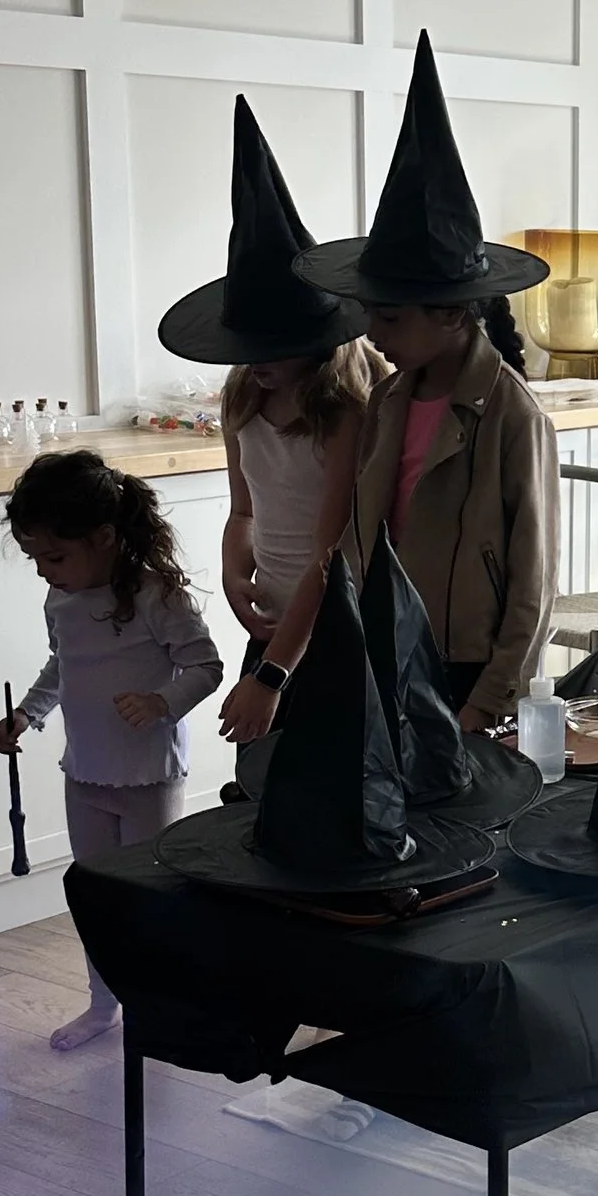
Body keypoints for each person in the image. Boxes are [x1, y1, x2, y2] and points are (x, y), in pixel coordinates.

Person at [290, 32, 559, 733]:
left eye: (390, 317)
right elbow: (360, 536)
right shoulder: (385, 399)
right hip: (389, 647)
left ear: (451, 313)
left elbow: (532, 584)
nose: (371, 332)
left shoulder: (509, 416)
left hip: (464, 665)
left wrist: (489, 700)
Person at [149, 98, 383, 752]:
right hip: (273, 621)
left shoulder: (343, 415)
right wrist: (232, 567)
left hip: (331, 628)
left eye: (271, 348)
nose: (255, 363)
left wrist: (275, 670)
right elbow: (244, 509)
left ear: (317, 339)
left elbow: (331, 555)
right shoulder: (243, 398)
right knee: (260, 778)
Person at [0, 451, 223, 1049]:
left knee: (149, 900)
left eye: (56, 556)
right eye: (35, 559)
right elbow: (61, 667)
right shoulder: (61, 601)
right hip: (87, 773)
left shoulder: (156, 594)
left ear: (105, 537)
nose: (45, 571)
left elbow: (204, 665)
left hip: (148, 776)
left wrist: (161, 703)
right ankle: (103, 1004)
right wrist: (27, 714)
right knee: (97, 898)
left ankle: (162, 1004)